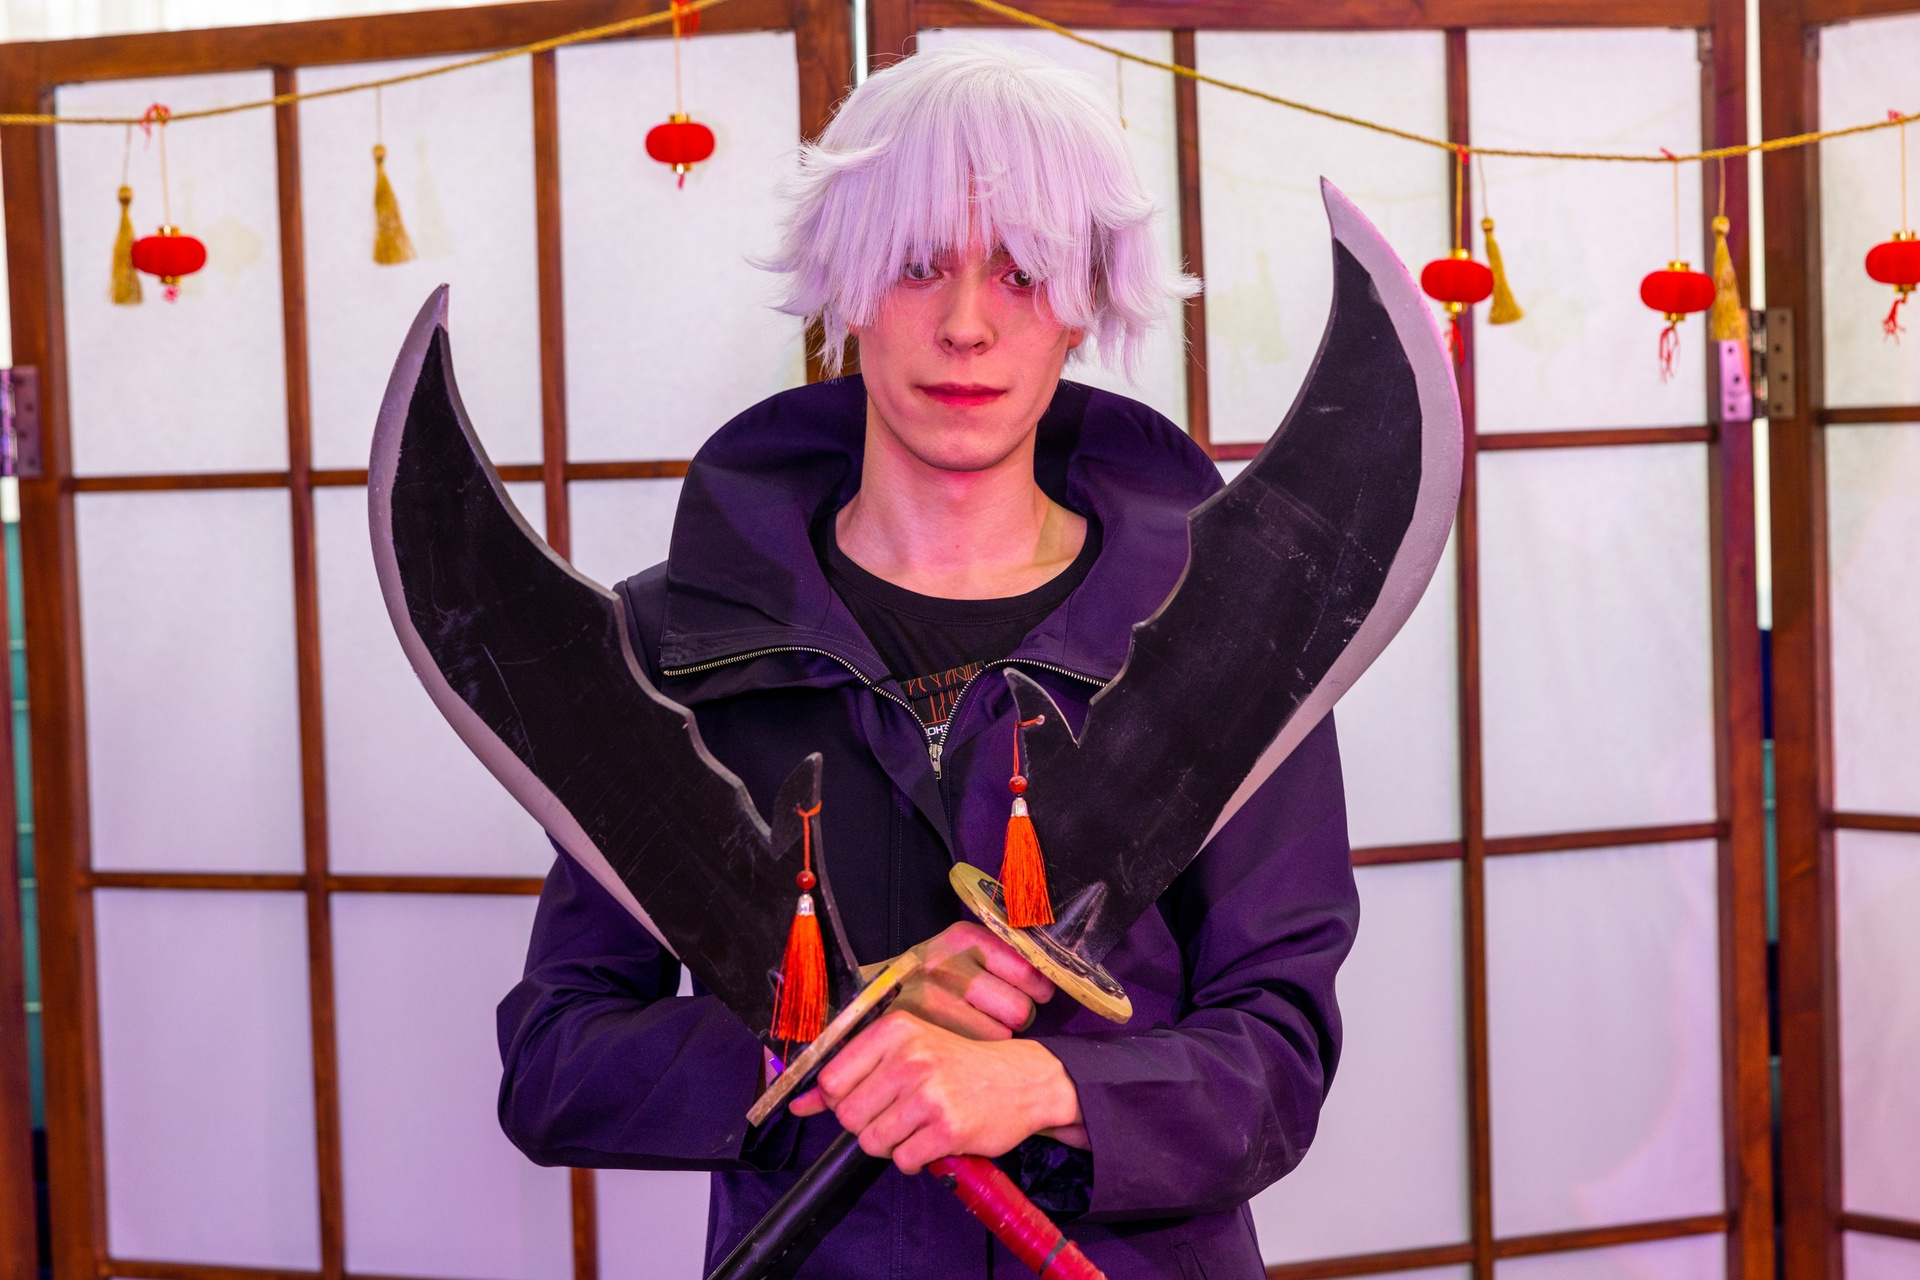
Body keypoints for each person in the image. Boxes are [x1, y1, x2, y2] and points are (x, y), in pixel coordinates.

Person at [497, 42, 1358, 1279]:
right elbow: (556, 1061)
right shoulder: (678, 647)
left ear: (1084, 299)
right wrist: (831, 1040)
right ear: (847, 287)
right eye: (916, 266)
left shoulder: (1225, 637)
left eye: (1023, 271)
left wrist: (1044, 1083)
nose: (965, 325)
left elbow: (1278, 1054)